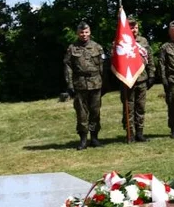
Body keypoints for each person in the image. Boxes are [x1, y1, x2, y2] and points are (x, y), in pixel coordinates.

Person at [64, 21, 106, 150]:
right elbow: (68, 67)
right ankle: (83, 139)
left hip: (95, 83)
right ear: (77, 33)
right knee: (81, 113)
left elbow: (102, 67)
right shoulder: (72, 48)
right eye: (81, 32)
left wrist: (104, 83)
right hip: (80, 84)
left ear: (90, 32)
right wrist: (69, 84)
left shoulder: (97, 47)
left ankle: (94, 138)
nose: (84, 34)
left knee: (95, 111)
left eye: (86, 32)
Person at [116, 19, 155, 143]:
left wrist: (151, 74)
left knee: (140, 107)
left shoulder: (143, 41)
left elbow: (149, 57)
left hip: (142, 79)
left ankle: (140, 133)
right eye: (131, 28)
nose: (134, 30)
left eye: (136, 27)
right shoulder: (122, 40)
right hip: (128, 80)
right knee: (129, 107)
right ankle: (130, 133)